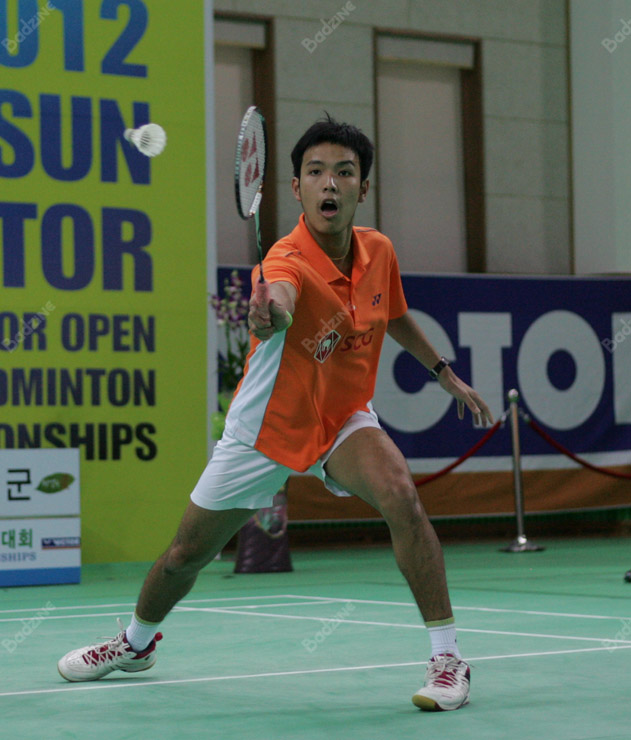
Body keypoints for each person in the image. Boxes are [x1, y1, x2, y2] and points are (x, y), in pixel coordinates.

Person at [58, 114, 493, 712]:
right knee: (185, 556)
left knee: (401, 495)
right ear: (296, 187)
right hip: (264, 431)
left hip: (340, 421)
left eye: (344, 172)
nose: (330, 183)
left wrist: (443, 372)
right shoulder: (284, 259)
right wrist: (270, 314)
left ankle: (448, 659)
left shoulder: (379, 251)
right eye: (316, 172)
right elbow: (281, 302)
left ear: (363, 187)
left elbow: (392, 313)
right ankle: (134, 644)